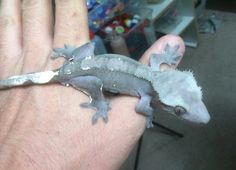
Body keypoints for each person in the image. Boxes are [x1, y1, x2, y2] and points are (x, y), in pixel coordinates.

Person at [0, 1, 185, 169]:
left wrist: (165, 58)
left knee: (88, 49)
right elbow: (142, 107)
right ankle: (97, 101)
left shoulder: (155, 71)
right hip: (79, 75)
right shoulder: (146, 97)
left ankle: (71, 55)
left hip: (83, 63)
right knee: (95, 81)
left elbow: (154, 58)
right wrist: (148, 112)